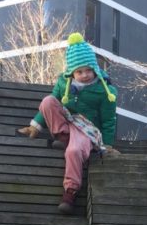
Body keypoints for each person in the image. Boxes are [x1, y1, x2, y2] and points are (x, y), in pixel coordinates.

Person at [17, 33, 117, 215]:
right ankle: (64, 137)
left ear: (94, 68)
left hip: (88, 130)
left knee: (73, 151)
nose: (85, 75)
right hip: (68, 122)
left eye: (88, 70)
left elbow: (109, 120)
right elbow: (53, 102)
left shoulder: (105, 91)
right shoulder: (64, 82)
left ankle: (70, 193)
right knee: (48, 101)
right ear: (72, 72)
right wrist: (35, 126)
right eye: (79, 72)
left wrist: (107, 145)